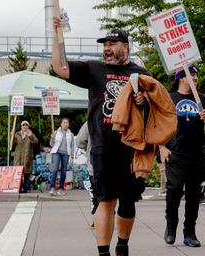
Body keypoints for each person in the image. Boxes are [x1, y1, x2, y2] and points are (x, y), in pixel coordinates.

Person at [52, 25, 149, 256]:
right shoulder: (94, 69)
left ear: (125, 47)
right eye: (104, 45)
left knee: (128, 202)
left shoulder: (141, 73)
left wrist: (143, 100)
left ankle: (123, 245)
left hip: (131, 147)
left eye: (112, 44)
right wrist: (57, 35)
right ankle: (103, 252)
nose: (107, 48)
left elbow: (156, 110)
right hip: (102, 146)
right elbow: (60, 67)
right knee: (105, 200)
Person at [160, 66, 205, 247]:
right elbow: (158, 124)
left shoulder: (203, 99)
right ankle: (170, 226)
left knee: (193, 195)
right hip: (175, 153)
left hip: (196, 154)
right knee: (173, 191)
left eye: (196, 74)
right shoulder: (169, 98)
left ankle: (189, 232)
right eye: (192, 75)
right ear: (182, 78)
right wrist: (161, 147)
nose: (196, 78)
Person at [49, 118, 76, 196]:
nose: (65, 124)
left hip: (66, 154)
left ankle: (61, 189)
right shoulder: (56, 132)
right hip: (56, 152)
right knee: (55, 169)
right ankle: (52, 188)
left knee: (63, 171)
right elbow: (51, 144)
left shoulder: (70, 134)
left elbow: (72, 146)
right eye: (64, 122)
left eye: (67, 122)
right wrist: (52, 138)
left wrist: (72, 156)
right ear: (61, 124)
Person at [11, 120, 38, 193]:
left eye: (26, 125)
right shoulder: (17, 134)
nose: (25, 126)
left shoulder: (31, 134)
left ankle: (25, 189)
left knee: (27, 174)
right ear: (21, 126)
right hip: (18, 158)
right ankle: (18, 188)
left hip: (27, 157)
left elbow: (36, 142)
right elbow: (12, 143)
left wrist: (31, 136)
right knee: (18, 174)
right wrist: (12, 136)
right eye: (23, 125)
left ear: (28, 127)